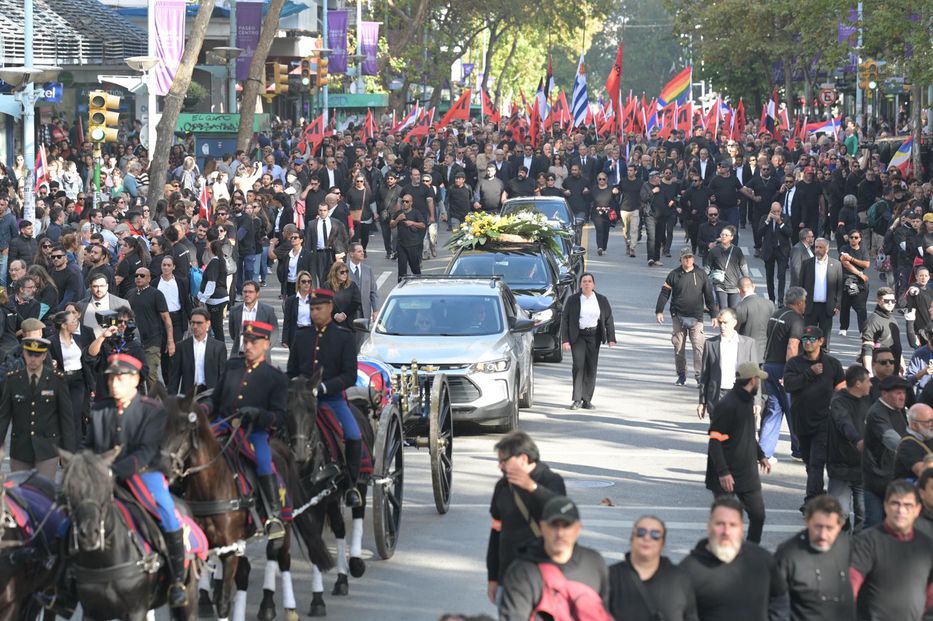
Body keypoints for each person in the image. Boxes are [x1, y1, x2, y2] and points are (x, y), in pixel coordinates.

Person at [84, 353, 188, 607]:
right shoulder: (99, 409)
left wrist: (112, 470)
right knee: (71, 510)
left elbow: (147, 451)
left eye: (119, 378)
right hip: (102, 476)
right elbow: (89, 446)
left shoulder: (152, 410)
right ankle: (64, 583)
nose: (113, 383)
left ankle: (177, 580)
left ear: (135, 380)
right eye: (110, 378)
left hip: (142, 475)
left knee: (167, 514)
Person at [284, 289, 363, 508]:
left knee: (353, 434)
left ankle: (351, 485)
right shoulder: (301, 336)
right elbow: (292, 371)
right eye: (311, 309)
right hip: (302, 402)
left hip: (332, 400)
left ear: (330, 308)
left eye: (318, 308)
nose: (314, 313)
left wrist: (324, 387)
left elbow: (350, 375)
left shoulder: (344, 337)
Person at [211, 321, 288, 538]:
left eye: (254, 341)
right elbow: (215, 400)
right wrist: (200, 409)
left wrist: (258, 414)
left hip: (253, 432)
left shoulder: (275, 377)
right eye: (246, 341)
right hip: (223, 425)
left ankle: (273, 516)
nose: (249, 345)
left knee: (264, 463)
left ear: (266, 344)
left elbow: (280, 417)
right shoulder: (232, 366)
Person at [499, 496, 611, 620]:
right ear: (542, 527)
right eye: (553, 525)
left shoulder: (594, 563)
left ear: (578, 528)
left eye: (566, 525)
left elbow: (606, 612)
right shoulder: (522, 572)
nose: (559, 533)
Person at [486, 431, 566, 605]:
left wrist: (532, 488)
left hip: (544, 576)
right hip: (509, 576)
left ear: (523, 458)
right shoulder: (503, 486)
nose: (500, 466)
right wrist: (493, 577)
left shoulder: (551, 480)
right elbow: (496, 532)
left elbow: (562, 513)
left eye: (504, 461)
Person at [679, 496, 789, 620]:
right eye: (720, 524)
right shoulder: (687, 571)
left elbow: (780, 598)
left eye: (733, 525)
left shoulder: (762, 560)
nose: (726, 531)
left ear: (741, 529)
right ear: (709, 526)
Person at [705, 362, 772, 543]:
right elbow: (715, 441)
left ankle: (751, 550)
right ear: (752, 380)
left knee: (758, 515)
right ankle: (720, 555)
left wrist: (761, 455)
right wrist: (723, 472)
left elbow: (748, 435)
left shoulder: (746, 400)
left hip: (746, 473)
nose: (760, 383)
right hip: (726, 476)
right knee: (724, 521)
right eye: (758, 379)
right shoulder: (728, 404)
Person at [849, 480, 933, 621]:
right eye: (895, 503)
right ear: (885, 505)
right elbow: (851, 585)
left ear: (917, 510)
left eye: (908, 505)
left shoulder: (926, 546)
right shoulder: (865, 542)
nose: (901, 511)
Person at [783, 326, 845, 504]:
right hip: (801, 420)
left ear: (821, 341)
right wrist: (809, 373)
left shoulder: (832, 364)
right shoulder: (794, 364)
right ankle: (817, 492)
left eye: (811, 339)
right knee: (809, 462)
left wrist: (837, 408)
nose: (807, 343)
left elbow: (841, 387)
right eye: (805, 340)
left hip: (824, 421)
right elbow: (789, 385)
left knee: (817, 462)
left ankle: (811, 500)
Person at [0, 336, 75, 479]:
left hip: (47, 449)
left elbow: (66, 418)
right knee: (21, 494)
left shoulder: (56, 380)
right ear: (24, 353)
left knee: (43, 494)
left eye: (37, 354)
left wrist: (68, 452)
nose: (33, 359)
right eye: (30, 354)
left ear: (44, 355)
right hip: (20, 449)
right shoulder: (13, 380)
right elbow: (3, 416)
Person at [774, 495, 854, 621]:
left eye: (829, 528)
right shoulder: (788, 555)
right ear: (807, 522)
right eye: (818, 527)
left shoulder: (849, 546)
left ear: (840, 525)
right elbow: (775, 602)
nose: (823, 535)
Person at [608, 515, 698, 621]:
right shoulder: (610, 576)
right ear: (632, 538)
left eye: (655, 535)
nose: (647, 538)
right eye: (641, 532)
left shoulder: (680, 579)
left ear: (662, 543)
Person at [655, 246, 719, 386]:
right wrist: (659, 311)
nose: (688, 260)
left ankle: (699, 375)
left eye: (690, 257)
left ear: (693, 259)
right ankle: (681, 374)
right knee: (678, 346)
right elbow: (665, 293)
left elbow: (709, 295)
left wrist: (714, 315)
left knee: (699, 347)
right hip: (678, 315)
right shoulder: (673, 274)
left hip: (697, 317)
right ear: (681, 259)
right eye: (686, 257)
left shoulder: (701, 274)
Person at [761, 287, 808, 460]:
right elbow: (792, 347)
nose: (806, 305)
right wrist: (790, 373)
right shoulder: (796, 320)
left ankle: (764, 451)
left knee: (774, 410)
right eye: (805, 301)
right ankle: (800, 449)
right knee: (794, 409)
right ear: (799, 302)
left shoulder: (776, 314)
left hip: (769, 365)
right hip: (783, 368)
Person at [560, 273, 616, 410]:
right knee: (578, 366)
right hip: (578, 336)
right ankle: (577, 399)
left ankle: (587, 400)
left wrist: (611, 338)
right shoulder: (573, 300)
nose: (587, 283)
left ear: (594, 285)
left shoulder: (601, 300)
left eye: (589, 281)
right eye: (584, 281)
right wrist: (565, 340)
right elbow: (565, 320)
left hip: (594, 336)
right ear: (580, 284)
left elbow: (608, 319)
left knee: (591, 368)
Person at [827, 364, 872, 531]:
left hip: (863, 466)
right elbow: (844, 423)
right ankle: (840, 547)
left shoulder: (869, 399)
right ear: (858, 384)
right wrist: (857, 441)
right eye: (868, 381)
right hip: (841, 466)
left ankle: (859, 550)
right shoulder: (839, 401)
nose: (871, 385)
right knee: (839, 512)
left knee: (864, 512)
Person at [862, 376, 911, 527]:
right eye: (898, 393)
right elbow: (891, 438)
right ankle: (860, 549)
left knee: (891, 525)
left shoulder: (897, 410)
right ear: (884, 394)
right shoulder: (877, 412)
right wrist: (914, 453)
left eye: (903, 393)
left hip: (892, 478)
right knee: (874, 524)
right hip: (876, 478)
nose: (902, 396)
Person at [697, 308, 760, 419]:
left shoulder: (748, 344)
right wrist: (702, 402)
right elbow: (705, 375)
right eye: (720, 322)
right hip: (717, 395)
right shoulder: (711, 344)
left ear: (734, 323)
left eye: (725, 323)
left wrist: (757, 401)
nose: (722, 326)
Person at [48, 305, 93, 442]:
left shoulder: (78, 339)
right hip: (61, 380)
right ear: (63, 325)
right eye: (72, 321)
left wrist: (91, 385)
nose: (75, 323)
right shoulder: (51, 341)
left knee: (76, 413)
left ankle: (76, 446)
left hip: (78, 380)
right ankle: (63, 445)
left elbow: (85, 363)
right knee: (62, 413)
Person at [128, 267, 174, 389]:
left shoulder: (156, 294)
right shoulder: (130, 293)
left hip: (153, 341)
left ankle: (156, 404)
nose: (138, 277)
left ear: (149, 278)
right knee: (135, 375)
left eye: (142, 276)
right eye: (136, 275)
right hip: (134, 341)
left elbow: (166, 318)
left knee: (150, 374)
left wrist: (170, 341)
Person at [168, 308, 227, 396]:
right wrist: (171, 400)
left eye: (199, 323)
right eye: (193, 323)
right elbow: (175, 376)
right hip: (188, 395)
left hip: (210, 395)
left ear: (208, 323)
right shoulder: (182, 346)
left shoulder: (218, 347)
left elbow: (222, 375)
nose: (195, 326)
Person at [800, 238, 843, 350]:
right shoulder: (807, 264)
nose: (817, 250)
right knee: (808, 334)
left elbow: (839, 287)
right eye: (816, 247)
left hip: (827, 307)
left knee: (824, 336)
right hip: (810, 306)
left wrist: (838, 305)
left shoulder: (836, 265)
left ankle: (824, 356)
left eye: (820, 247)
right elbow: (801, 285)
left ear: (827, 249)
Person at [228, 280, 278, 356]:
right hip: (239, 355)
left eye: (250, 292)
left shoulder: (268, 311)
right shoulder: (234, 311)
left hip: (260, 356)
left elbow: (274, 333)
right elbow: (233, 334)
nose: (247, 294)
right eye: (245, 292)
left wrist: (264, 348)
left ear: (257, 293)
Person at [705, 225, 749, 309]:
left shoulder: (737, 250)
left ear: (731, 237)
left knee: (733, 309)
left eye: (726, 235)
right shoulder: (714, 251)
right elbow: (708, 267)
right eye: (722, 234)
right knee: (723, 308)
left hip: (734, 285)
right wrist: (702, 279)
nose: (723, 236)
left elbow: (743, 266)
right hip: (720, 285)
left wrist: (746, 280)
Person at [861, 287, 903, 374]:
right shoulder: (873, 320)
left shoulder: (893, 319)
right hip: (879, 371)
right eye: (887, 301)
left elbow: (896, 344)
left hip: (893, 370)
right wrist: (869, 372)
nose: (890, 303)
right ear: (879, 301)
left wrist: (901, 364)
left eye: (893, 301)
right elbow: (867, 347)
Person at [838, 228, 871, 336]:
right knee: (845, 305)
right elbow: (845, 263)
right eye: (851, 237)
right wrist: (860, 273)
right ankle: (843, 328)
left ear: (860, 239)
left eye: (856, 237)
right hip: (847, 279)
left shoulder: (863, 249)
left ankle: (863, 330)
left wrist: (851, 258)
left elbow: (866, 264)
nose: (853, 239)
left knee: (861, 307)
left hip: (861, 283)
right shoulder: (844, 248)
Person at [758, 202, 793, 303]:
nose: (776, 213)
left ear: (781, 210)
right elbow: (759, 233)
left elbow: (790, 233)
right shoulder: (765, 218)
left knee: (781, 275)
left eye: (778, 211)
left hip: (782, 250)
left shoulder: (785, 218)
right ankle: (771, 299)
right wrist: (767, 221)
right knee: (769, 276)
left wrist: (780, 223)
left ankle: (781, 300)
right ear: (770, 211)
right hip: (769, 250)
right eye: (774, 211)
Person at [735, 277, 775, 365]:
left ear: (739, 290)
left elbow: (735, 332)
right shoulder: (770, 304)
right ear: (754, 287)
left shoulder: (741, 307)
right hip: (766, 353)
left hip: (747, 353)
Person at [77, 273, 129, 337]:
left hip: (112, 344)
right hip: (87, 345)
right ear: (90, 287)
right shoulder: (80, 305)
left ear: (107, 286)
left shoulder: (122, 304)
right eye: (95, 286)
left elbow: (128, 329)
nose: (99, 289)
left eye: (102, 286)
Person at [198, 239, 230, 342]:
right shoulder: (222, 261)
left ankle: (220, 350)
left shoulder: (215, 262)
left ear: (212, 249)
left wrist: (203, 299)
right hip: (221, 297)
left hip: (216, 299)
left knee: (217, 327)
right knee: (217, 327)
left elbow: (211, 282)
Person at [893, 403, 933, 479]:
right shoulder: (907, 445)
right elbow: (924, 473)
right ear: (914, 425)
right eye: (929, 421)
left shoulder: (928, 436)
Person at [323, 261, 362, 329]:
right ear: (335, 273)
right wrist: (334, 315)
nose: (345, 274)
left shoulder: (352, 285)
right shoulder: (327, 286)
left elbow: (356, 302)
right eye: (342, 272)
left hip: (349, 322)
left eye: (346, 271)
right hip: (332, 323)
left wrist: (344, 314)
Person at [346, 242, 379, 321]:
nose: (362, 253)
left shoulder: (368, 269)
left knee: (363, 333)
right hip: (348, 313)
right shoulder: (344, 269)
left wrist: (375, 310)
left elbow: (373, 291)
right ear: (351, 254)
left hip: (364, 312)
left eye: (363, 251)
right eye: (359, 251)